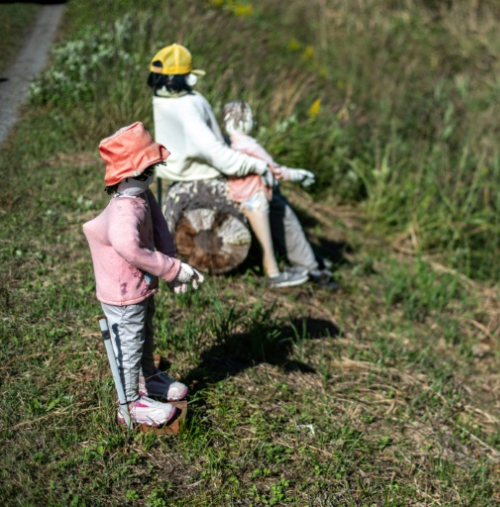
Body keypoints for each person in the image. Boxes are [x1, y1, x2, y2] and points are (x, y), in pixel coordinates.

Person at [147, 43, 309, 288]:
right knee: (273, 201)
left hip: (174, 172)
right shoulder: (188, 105)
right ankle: (287, 267)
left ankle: (300, 263)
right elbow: (217, 155)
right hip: (198, 174)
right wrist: (257, 165)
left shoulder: (160, 98)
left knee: (271, 198)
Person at [83, 122, 204, 427]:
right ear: (126, 174)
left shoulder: (142, 196)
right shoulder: (125, 211)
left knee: (144, 335)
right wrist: (174, 269)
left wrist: (171, 268)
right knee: (129, 341)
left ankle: (148, 379)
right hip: (123, 293)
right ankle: (130, 402)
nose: (151, 177)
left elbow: (160, 228)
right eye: (145, 171)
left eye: (153, 169)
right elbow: (131, 249)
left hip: (140, 287)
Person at [222, 100, 333, 286]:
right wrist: (298, 174)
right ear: (242, 121)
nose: (254, 123)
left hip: (239, 193)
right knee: (273, 235)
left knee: (269, 237)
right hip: (256, 197)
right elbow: (275, 169)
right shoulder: (250, 145)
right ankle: (280, 273)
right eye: (251, 118)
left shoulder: (228, 145)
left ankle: (302, 264)